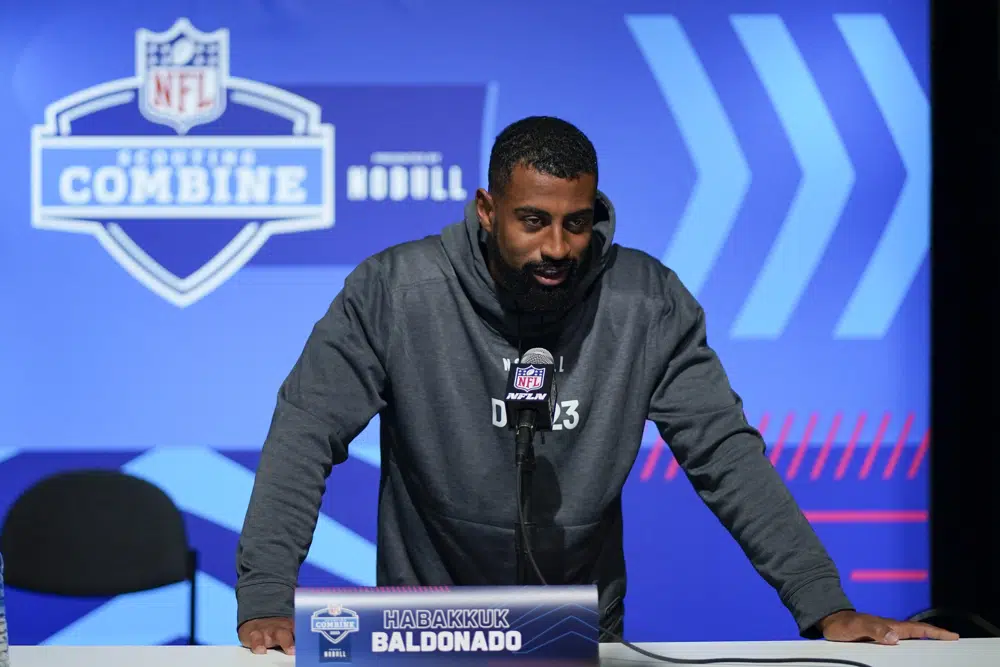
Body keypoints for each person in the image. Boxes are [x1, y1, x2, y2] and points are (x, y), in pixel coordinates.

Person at [235, 116, 957, 655]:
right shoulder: (396, 291)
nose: (557, 248)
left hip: (578, 635)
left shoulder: (645, 303)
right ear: (487, 210)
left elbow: (726, 455)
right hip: (424, 630)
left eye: (576, 224)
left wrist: (822, 604)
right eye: (533, 221)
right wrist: (268, 594)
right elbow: (306, 428)